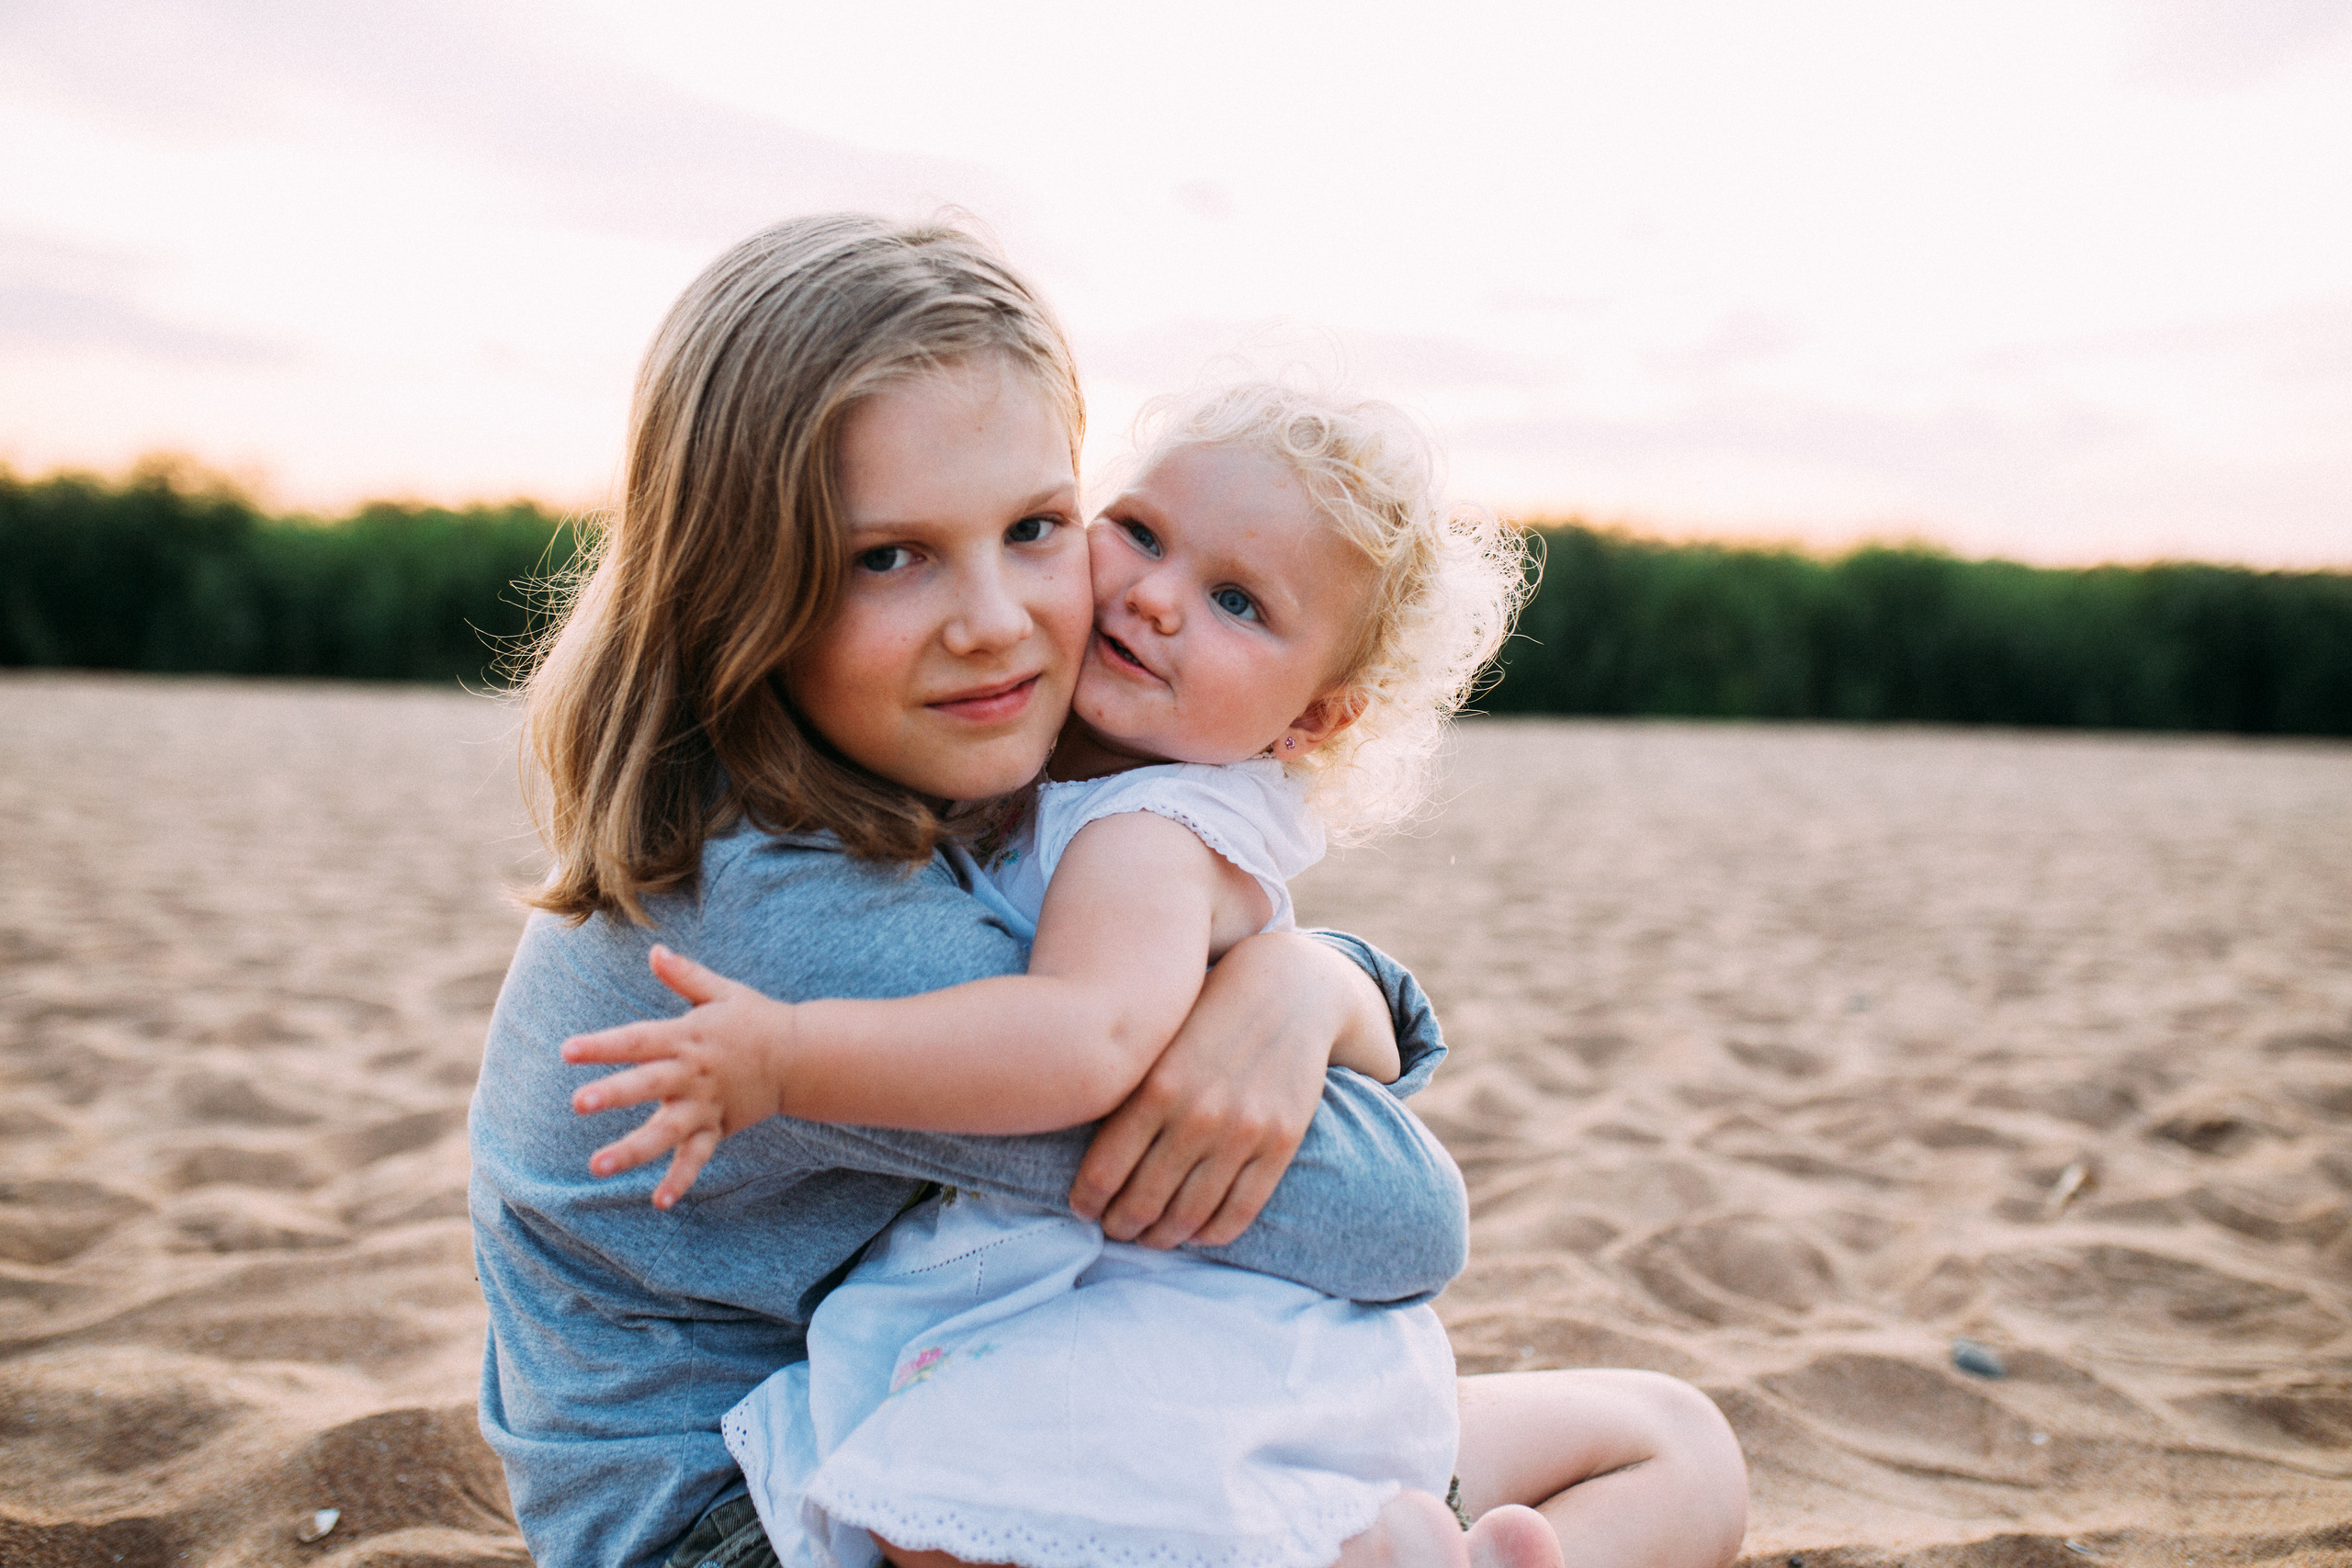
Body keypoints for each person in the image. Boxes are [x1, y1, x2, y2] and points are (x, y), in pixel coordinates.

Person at [469, 212, 1747, 1568]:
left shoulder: (954, 780)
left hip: (1010, 1408)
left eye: (1034, 526)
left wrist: (1313, 978)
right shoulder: (780, 908)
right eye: (889, 555)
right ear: (738, 579)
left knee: (1670, 1437)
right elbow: (1389, 1221)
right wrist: (1296, 997)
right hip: (756, 1520)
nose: (997, 619)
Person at [561, 380, 1532, 1568]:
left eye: (1236, 601)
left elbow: (1087, 1040)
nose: (1156, 597)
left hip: (1140, 1288)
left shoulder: (1146, 829)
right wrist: (1325, 982)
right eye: (1138, 532)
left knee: (953, 1504)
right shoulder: (1065, 786)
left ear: (1316, 720)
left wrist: (791, 1058)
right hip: (1127, 1287)